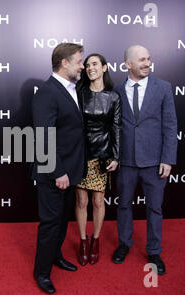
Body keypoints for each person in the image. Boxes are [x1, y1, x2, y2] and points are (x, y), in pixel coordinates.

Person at [112, 45, 178, 275]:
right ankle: (124, 243)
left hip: (154, 161)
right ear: (127, 64)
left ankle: (153, 250)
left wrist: (167, 159)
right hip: (126, 161)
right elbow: (114, 127)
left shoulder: (163, 88)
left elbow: (170, 126)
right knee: (123, 205)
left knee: (155, 208)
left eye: (148, 59)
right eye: (141, 60)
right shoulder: (117, 91)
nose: (147, 63)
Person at [31, 43, 86, 294]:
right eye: (78, 61)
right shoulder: (47, 91)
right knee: (51, 223)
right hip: (55, 173)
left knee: (63, 221)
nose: (82, 65)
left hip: (70, 170)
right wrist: (58, 171)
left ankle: (55, 256)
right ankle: (41, 272)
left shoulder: (72, 89)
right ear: (64, 62)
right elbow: (43, 136)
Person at [74, 54, 121, 266]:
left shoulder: (113, 97)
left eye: (95, 64)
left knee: (98, 201)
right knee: (82, 201)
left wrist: (116, 155)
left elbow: (116, 128)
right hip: (82, 155)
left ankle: (96, 240)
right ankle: (83, 241)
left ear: (104, 67)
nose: (90, 68)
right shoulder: (78, 93)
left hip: (102, 155)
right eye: (87, 65)